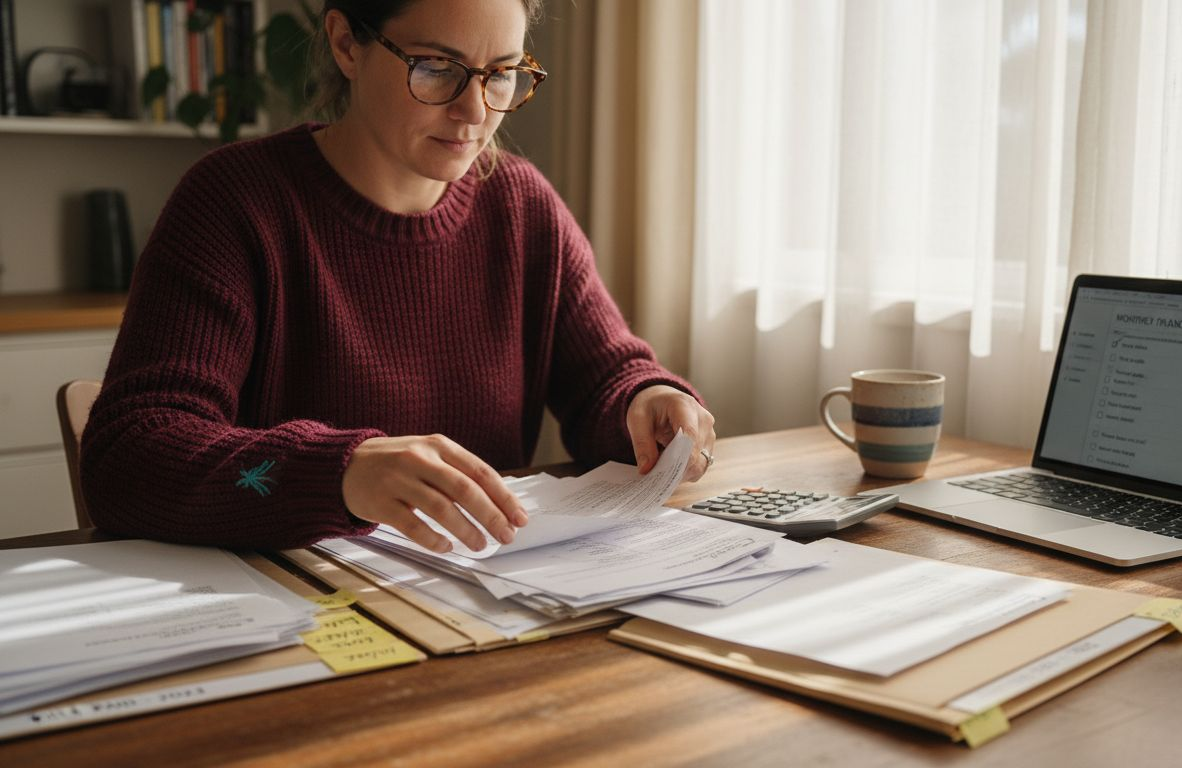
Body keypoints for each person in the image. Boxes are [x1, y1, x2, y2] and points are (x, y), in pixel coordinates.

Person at [80, 0, 716, 554]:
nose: (474, 111)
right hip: (297, 611)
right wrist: (338, 473)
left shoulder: (520, 205)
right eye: (435, 67)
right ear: (345, 44)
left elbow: (604, 378)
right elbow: (128, 457)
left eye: (501, 75)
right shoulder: (235, 203)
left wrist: (647, 402)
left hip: (488, 599)